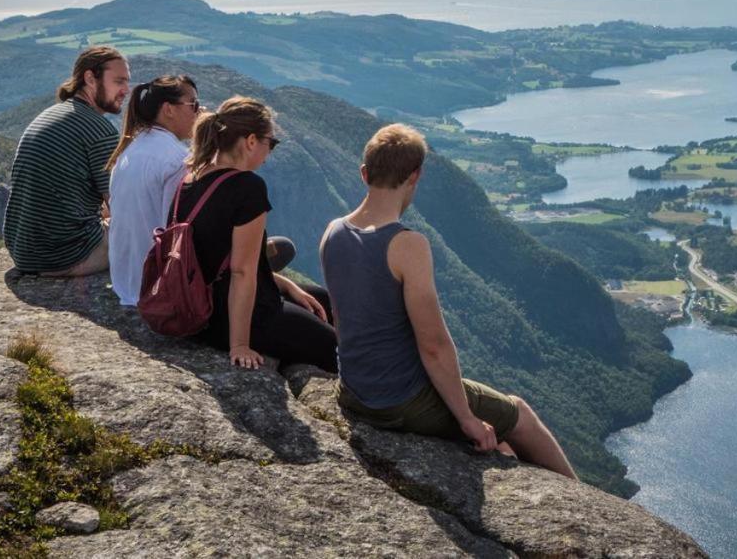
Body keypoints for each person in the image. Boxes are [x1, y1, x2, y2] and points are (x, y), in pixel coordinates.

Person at [320, 123, 577, 479]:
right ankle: (593, 506)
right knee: (518, 414)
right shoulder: (408, 246)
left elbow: (344, 319)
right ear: (415, 177)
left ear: (365, 173)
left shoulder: (333, 232)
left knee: (501, 447)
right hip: (399, 402)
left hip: (353, 394)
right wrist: (467, 420)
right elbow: (435, 347)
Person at [172, 95, 338, 373]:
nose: (269, 152)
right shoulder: (247, 187)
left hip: (199, 305)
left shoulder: (191, 179)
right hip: (238, 317)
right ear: (250, 141)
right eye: (270, 143)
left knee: (319, 299)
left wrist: (286, 285)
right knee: (339, 353)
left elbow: (215, 255)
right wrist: (239, 344)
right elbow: (241, 272)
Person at [4, 46, 129, 277]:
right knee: (146, 231)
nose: (126, 90)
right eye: (119, 81)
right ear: (90, 78)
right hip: (67, 256)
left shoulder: (51, 115)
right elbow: (122, 206)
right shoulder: (99, 130)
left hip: (23, 252)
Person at [105, 75, 202, 305]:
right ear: (168, 109)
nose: (199, 112)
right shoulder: (177, 160)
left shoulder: (128, 153)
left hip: (125, 283)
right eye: (194, 105)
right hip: (157, 289)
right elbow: (179, 231)